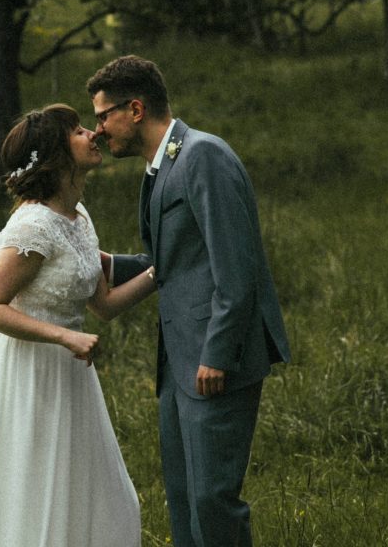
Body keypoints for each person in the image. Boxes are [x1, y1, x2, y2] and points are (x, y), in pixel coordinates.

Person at [0, 104, 156, 547]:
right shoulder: (33, 225)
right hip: (27, 372)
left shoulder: (78, 217)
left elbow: (104, 305)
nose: (92, 134)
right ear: (55, 155)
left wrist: (160, 272)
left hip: (70, 376)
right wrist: (64, 335)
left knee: (96, 493)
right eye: (76, 131)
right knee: (29, 489)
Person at [87, 56, 290, 547]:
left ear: (135, 109)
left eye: (102, 115)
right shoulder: (161, 167)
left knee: (212, 503)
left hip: (213, 360)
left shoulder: (203, 156)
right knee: (183, 499)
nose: (96, 131)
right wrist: (101, 262)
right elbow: (172, 260)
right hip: (177, 363)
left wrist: (216, 354)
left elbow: (235, 268)